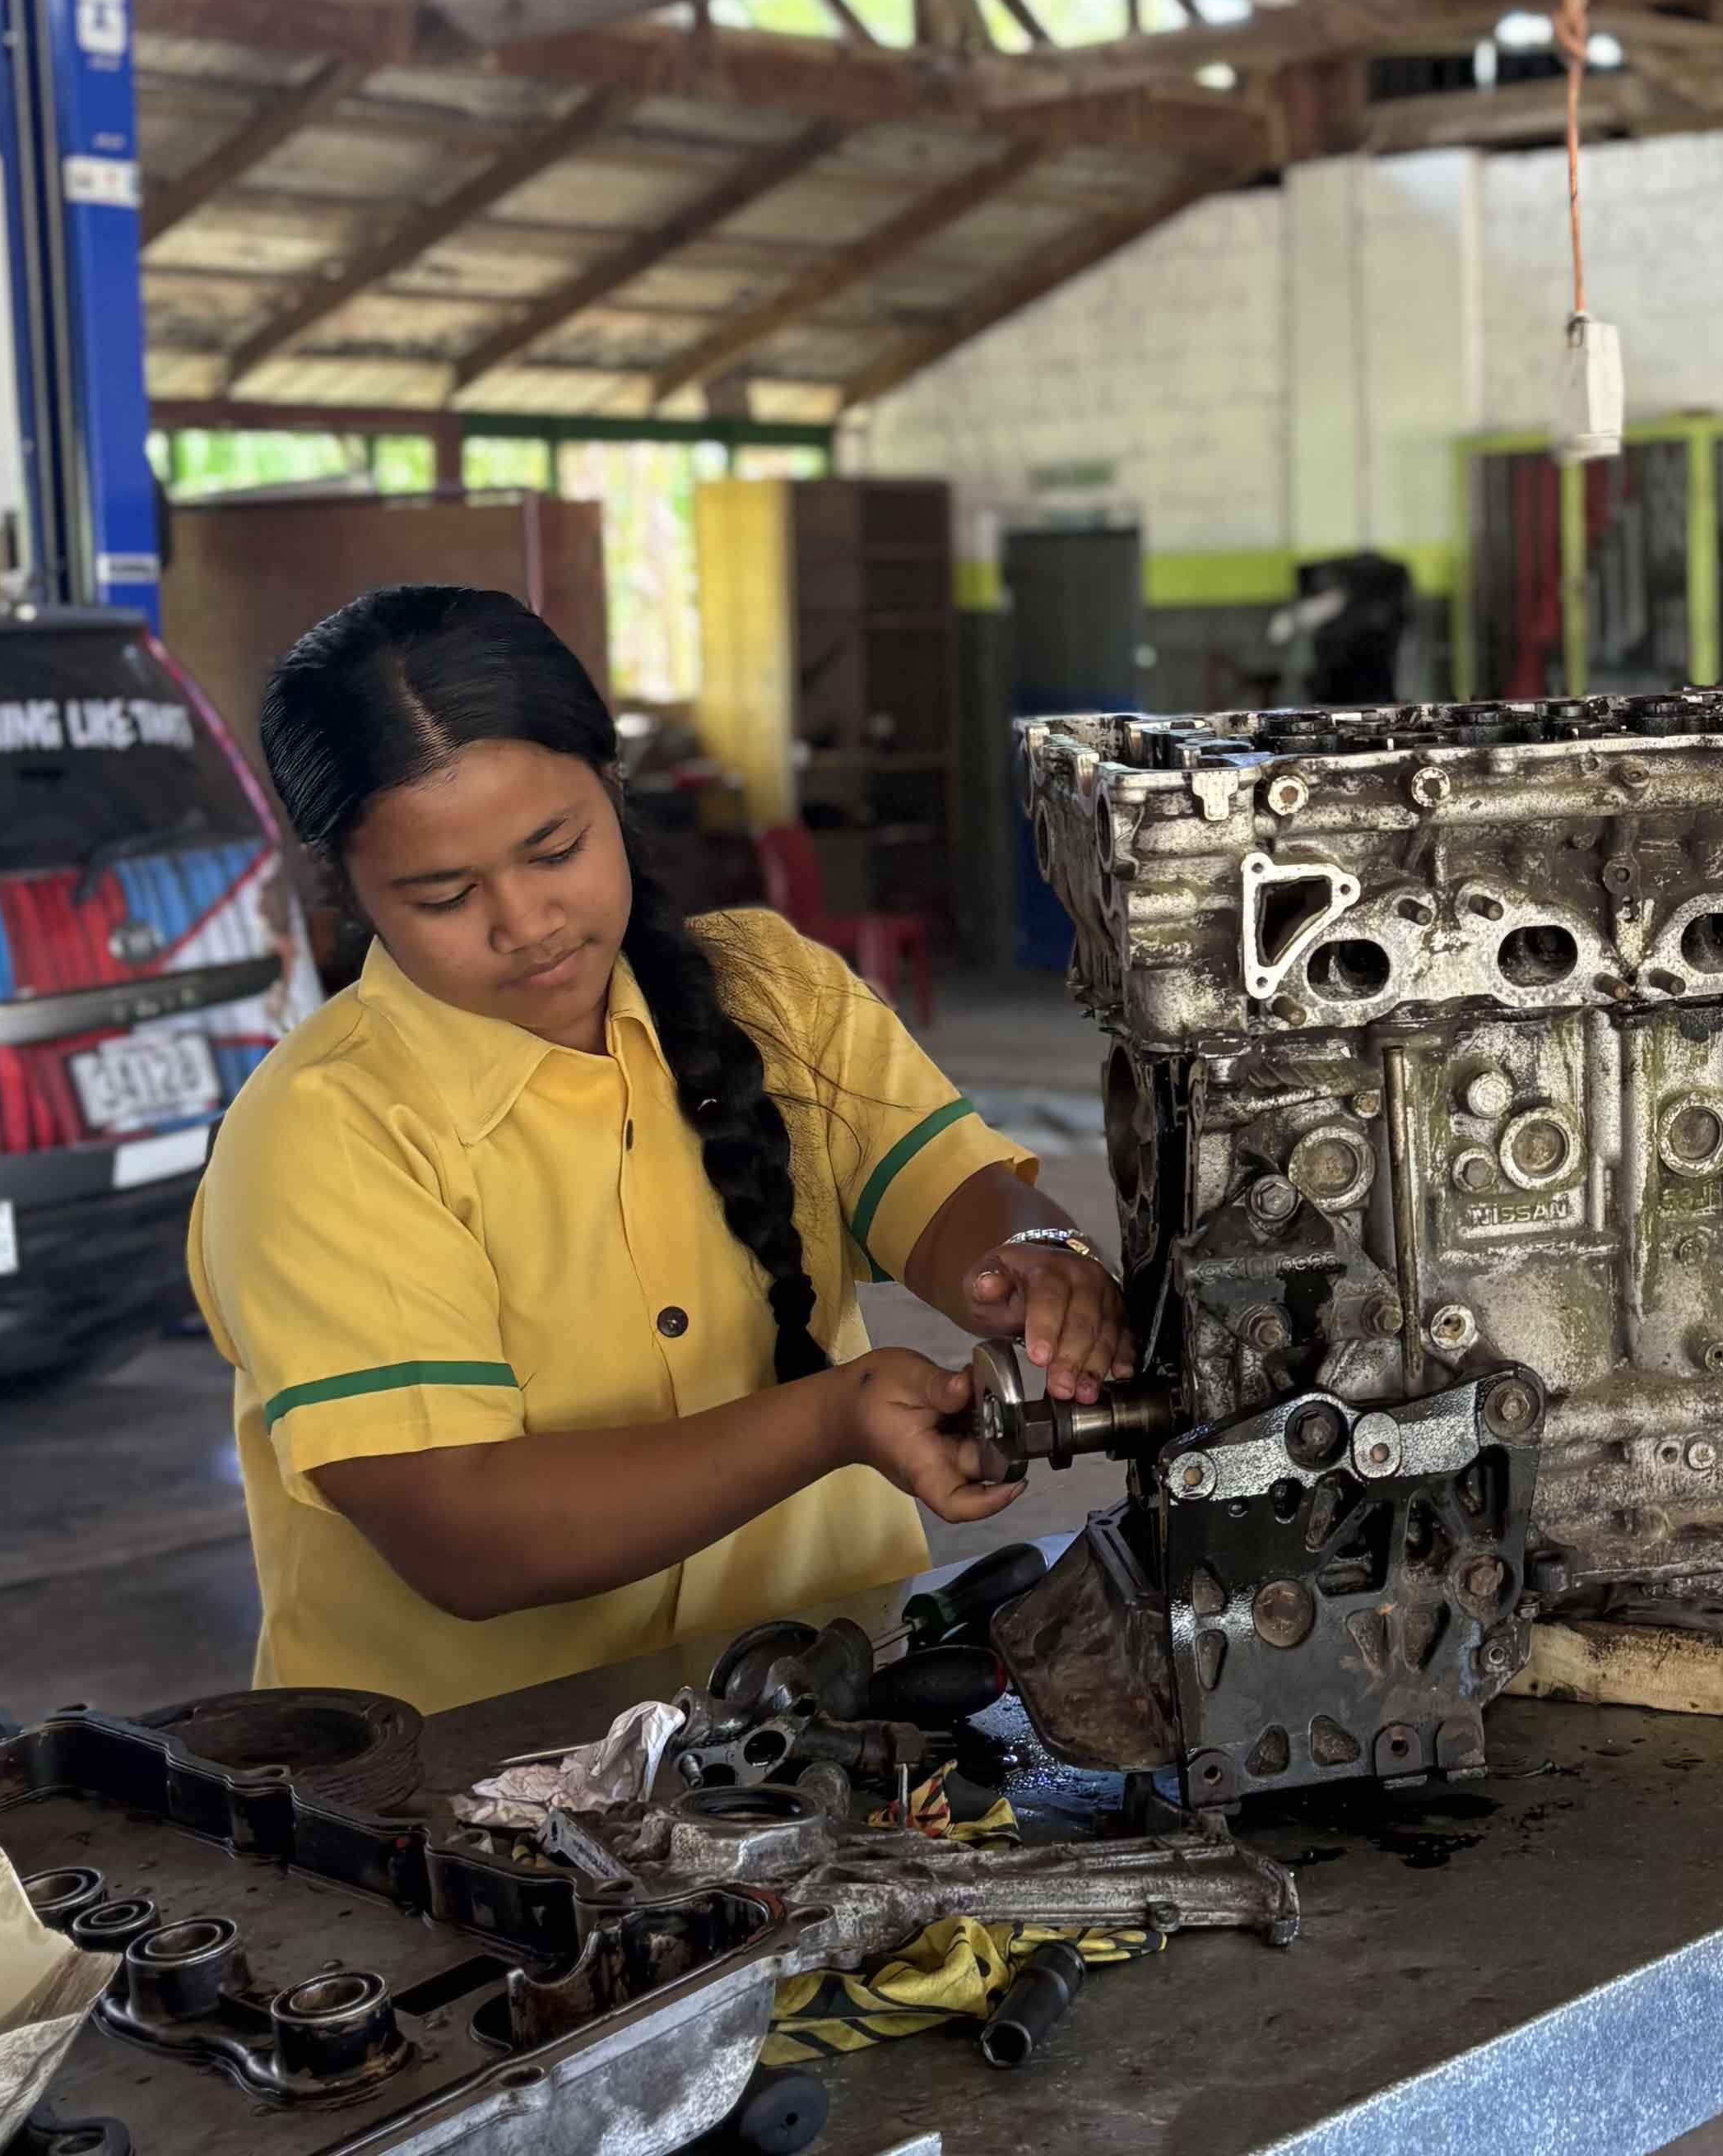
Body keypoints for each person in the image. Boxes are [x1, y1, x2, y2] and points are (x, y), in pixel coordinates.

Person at [189, 584, 1132, 1714]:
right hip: (470, 1782)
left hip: (831, 1719)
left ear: (612, 787)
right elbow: (465, 1537)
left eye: (556, 849)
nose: (526, 922)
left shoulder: (772, 994)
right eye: (445, 893)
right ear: (346, 887)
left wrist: (1039, 1257)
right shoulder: (325, 1131)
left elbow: (955, 1198)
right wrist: (826, 1422)